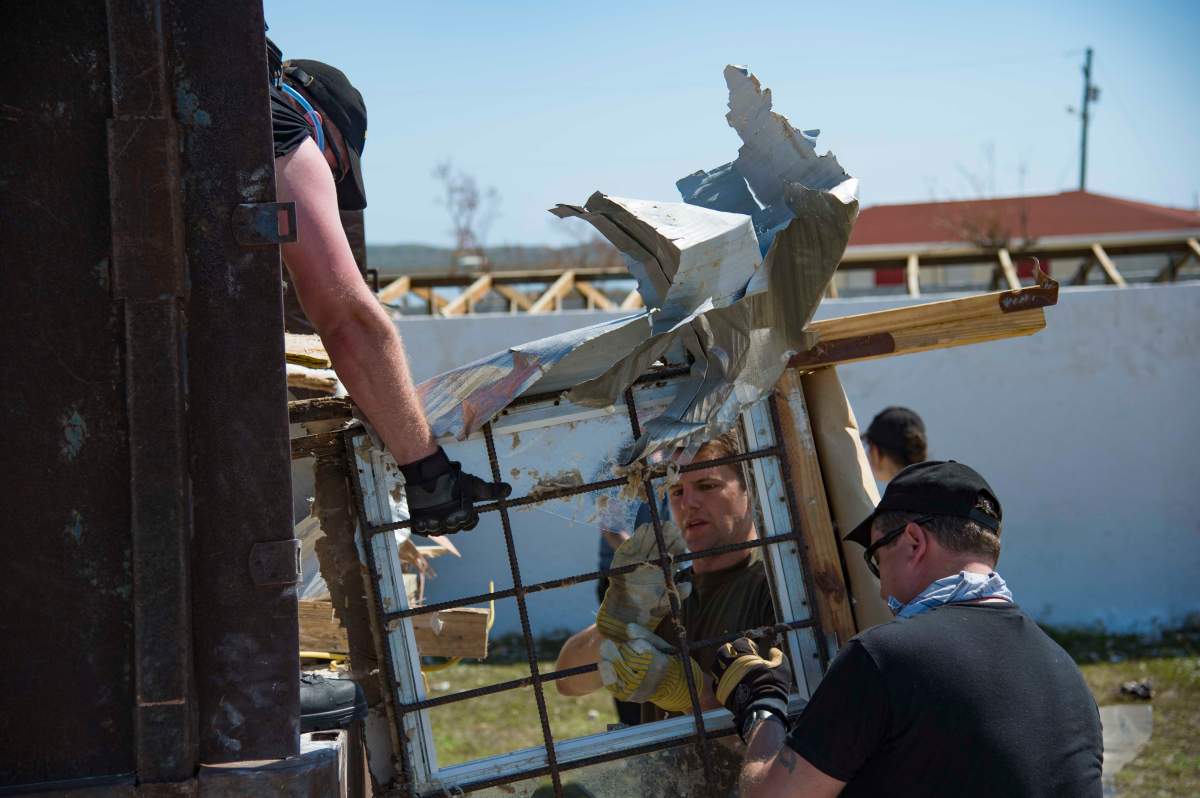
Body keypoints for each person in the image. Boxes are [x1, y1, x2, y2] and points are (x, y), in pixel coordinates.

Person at [712, 460, 1103, 797]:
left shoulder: (885, 657)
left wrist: (761, 708)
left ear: (914, 541)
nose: (880, 588)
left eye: (876, 558)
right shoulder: (1065, 670)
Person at [266, 43, 509, 535]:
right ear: (325, 127)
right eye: (336, 169)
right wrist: (428, 473)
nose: (330, 182)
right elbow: (347, 320)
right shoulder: (288, 128)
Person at [555, 430, 778, 723]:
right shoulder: (665, 591)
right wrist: (619, 618)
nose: (687, 503)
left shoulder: (777, 588)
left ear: (752, 489)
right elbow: (567, 681)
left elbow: (777, 736)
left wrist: (693, 694)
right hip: (670, 769)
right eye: (675, 491)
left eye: (706, 485)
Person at [862, 406, 927, 483]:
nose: (867, 454)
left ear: (876, 452)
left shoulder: (897, 493)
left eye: (869, 447)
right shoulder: (940, 488)